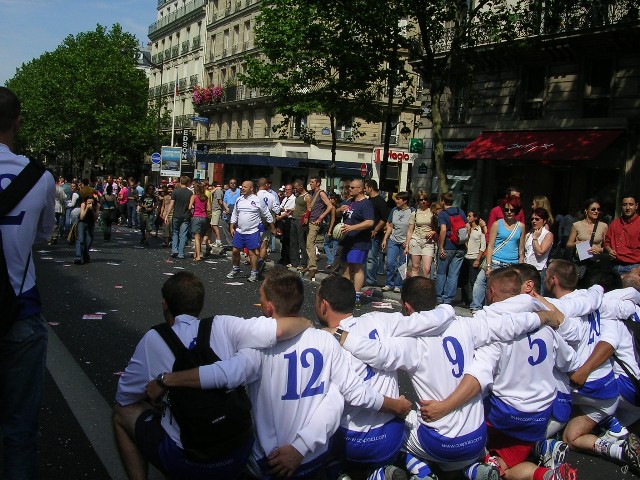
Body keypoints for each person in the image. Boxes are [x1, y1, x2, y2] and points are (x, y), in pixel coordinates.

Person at [146, 268, 412, 479]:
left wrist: (167, 379)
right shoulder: (326, 341)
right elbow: (341, 398)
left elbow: (223, 374)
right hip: (311, 459)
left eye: (261, 296)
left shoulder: (256, 349)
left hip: (268, 465)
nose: (258, 300)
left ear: (269, 308)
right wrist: (300, 448)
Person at [338, 270, 566, 480]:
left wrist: (342, 336)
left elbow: (380, 354)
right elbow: (506, 326)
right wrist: (542, 318)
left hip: (440, 443)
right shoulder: (464, 325)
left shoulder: (410, 344)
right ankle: (474, 469)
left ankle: (422, 472)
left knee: (397, 425)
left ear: (407, 308)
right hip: (477, 438)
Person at [113, 271, 312, 480]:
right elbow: (279, 330)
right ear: (200, 302)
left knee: (121, 413)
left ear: (165, 304)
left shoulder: (152, 340)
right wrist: (306, 322)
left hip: (190, 462)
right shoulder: (223, 325)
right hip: (238, 453)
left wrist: (160, 387)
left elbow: (124, 397)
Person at [318, 275, 457, 479]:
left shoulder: (320, 342)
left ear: (323, 305)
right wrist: (447, 308)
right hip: (389, 437)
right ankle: (404, 470)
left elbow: (351, 395)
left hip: (350, 441)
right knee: (409, 428)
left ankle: (343, 473)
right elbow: (431, 318)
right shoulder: (380, 319)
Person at [0, 86, 56, 479]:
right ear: (18, 123)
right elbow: (42, 235)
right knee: (19, 427)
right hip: (19, 307)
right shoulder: (40, 176)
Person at [227, 180, 276, 282]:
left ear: (251, 189)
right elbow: (235, 214)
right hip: (240, 231)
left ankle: (254, 272)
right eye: (242, 187)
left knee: (252, 253)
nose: (242, 188)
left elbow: (267, 214)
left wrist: (273, 228)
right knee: (235, 251)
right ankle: (236, 268)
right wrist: (232, 226)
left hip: (252, 231)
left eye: (245, 187)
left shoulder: (257, 200)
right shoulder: (239, 200)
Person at [338, 179, 375, 305]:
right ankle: (346, 293)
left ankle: (357, 295)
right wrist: (339, 210)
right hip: (347, 240)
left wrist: (352, 228)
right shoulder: (349, 201)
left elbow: (370, 222)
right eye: (349, 187)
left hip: (360, 241)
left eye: (353, 187)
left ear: (360, 189)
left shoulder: (366, 204)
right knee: (345, 267)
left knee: (357, 267)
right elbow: (338, 213)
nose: (350, 189)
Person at [436, 191, 468, 305]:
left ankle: (439, 297)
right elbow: (467, 227)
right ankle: (448, 299)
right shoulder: (461, 212)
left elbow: (443, 230)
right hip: (460, 247)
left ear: (442, 201)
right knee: (454, 274)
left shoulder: (443, 214)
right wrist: (464, 242)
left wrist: (441, 247)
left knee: (441, 272)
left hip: (448, 246)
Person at [382, 191, 413, 293]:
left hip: (405, 242)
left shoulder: (412, 211)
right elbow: (390, 226)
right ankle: (389, 283)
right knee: (390, 262)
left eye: (399, 199)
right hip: (393, 240)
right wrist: (385, 239)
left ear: (405, 201)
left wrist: (408, 242)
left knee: (402, 264)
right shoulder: (394, 210)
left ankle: (399, 285)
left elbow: (412, 228)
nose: (396, 201)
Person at [304, 176, 333, 278]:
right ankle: (310, 264)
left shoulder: (321, 193)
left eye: (312, 182)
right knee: (309, 244)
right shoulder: (312, 193)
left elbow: (330, 206)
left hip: (315, 222)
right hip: (310, 221)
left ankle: (313, 267)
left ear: (318, 183)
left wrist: (320, 217)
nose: (310, 183)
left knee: (310, 243)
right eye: (310, 182)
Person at [405, 191, 437, 280]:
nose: (423, 201)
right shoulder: (414, 213)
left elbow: (438, 228)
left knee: (427, 269)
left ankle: (426, 289)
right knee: (415, 267)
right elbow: (410, 230)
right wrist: (407, 246)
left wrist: (433, 232)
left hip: (428, 242)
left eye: (425, 199)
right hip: (416, 240)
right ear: (418, 201)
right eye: (421, 200)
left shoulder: (433, 213)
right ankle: (415, 288)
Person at [604, 194, 640, 274]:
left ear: (636, 206)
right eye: (624, 205)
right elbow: (607, 242)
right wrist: (609, 250)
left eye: (631, 204)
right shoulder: (615, 223)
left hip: (633, 267)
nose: (627, 208)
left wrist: (638, 270)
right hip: (614, 266)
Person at [364, 179, 389, 287]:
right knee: (365, 257)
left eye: (365, 187)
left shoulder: (380, 201)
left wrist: (375, 230)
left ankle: (371, 280)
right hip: (365, 233)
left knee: (371, 257)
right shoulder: (368, 200)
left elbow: (384, 218)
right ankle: (366, 277)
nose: (364, 190)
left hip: (374, 235)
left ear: (370, 188)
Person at [524, 207, 554, 294]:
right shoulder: (529, 233)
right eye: (532, 219)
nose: (534, 221)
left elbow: (540, 252)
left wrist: (535, 239)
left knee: (537, 299)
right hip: (526, 271)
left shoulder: (548, 235)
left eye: (537, 219)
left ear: (544, 221)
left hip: (538, 272)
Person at [164, 176, 193, 259]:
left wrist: (166, 215)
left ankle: (174, 250)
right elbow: (190, 205)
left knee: (175, 233)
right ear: (188, 183)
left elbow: (171, 204)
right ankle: (181, 253)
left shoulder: (175, 192)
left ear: (180, 182)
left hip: (176, 215)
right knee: (183, 234)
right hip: (186, 215)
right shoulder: (190, 193)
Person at [465, 210, 487, 312]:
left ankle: (477, 302)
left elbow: (483, 246)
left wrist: (478, 259)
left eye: (470, 216)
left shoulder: (480, 230)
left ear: (475, 218)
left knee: (474, 281)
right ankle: (467, 300)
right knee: (466, 281)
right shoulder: (467, 228)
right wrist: (468, 231)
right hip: (466, 256)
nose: (468, 218)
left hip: (474, 257)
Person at [290, 179, 310, 270]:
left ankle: (303, 263)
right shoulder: (298, 196)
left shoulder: (307, 196)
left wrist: (306, 217)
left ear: (301, 186)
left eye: (296, 188)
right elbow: (297, 207)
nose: (295, 190)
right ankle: (295, 262)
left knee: (302, 242)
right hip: (294, 219)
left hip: (300, 221)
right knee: (294, 242)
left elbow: (309, 209)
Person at [189, 183, 210, 261]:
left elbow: (189, 207)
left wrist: (192, 213)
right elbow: (209, 208)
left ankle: (198, 256)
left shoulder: (194, 197)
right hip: (204, 217)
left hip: (196, 216)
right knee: (201, 236)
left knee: (197, 238)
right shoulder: (206, 197)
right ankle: (195, 254)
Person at [276, 184, 296, 266]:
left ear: (292, 190)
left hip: (288, 220)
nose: (287, 191)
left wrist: (280, 216)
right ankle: (283, 257)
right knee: (283, 240)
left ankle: (287, 259)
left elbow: (288, 212)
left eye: (289, 189)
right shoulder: (285, 199)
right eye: (286, 190)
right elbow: (281, 207)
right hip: (282, 221)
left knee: (288, 241)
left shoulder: (293, 199)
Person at [74, 196, 97, 265]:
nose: (90, 204)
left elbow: (96, 218)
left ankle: (85, 256)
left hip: (90, 223)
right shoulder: (83, 204)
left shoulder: (97, 205)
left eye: (92, 203)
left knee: (89, 241)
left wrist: (92, 210)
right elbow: (82, 217)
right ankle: (78, 257)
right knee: (80, 239)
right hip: (82, 223)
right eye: (89, 203)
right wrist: (86, 209)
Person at [322, 193, 339, 270]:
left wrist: (329, 231)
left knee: (326, 244)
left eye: (331, 199)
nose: (329, 200)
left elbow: (333, 219)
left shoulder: (332, 208)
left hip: (332, 229)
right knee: (335, 246)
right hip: (337, 229)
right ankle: (334, 263)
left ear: (335, 200)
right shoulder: (338, 207)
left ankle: (331, 261)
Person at [210, 181, 224, 247]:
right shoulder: (216, 190)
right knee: (213, 225)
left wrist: (222, 208)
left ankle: (219, 241)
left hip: (216, 209)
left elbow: (219, 200)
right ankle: (216, 240)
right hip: (214, 209)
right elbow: (210, 193)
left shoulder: (218, 191)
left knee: (215, 225)